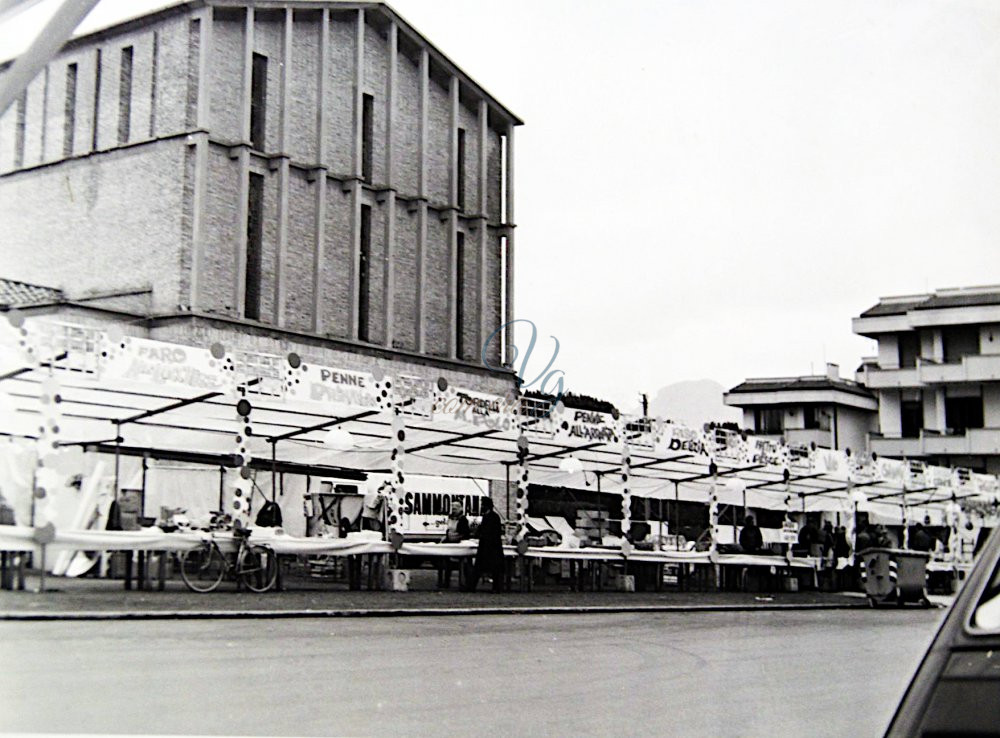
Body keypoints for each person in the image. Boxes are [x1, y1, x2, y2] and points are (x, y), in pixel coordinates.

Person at [465, 497, 505, 593]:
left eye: (483, 504)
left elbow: (493, 532)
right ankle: (472, 587)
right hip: (488, 546)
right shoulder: (489, 516)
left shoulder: (492, 517)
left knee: (488, 568)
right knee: (484, 567)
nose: (481, 506)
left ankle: (494, 588)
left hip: (491, 546)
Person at [439, 501, 470, 589]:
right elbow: (448, 530)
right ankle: (445, 582)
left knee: (461, 564)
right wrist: (446, 537)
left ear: (460, 509)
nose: (453, 510)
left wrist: (455, 538)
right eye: (452, 508)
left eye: (455, 508)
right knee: (446, 562)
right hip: (450, 543)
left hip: (459, 545)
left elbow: (465, 534)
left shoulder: (463, 520)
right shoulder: (450, 518)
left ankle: (463, 583)